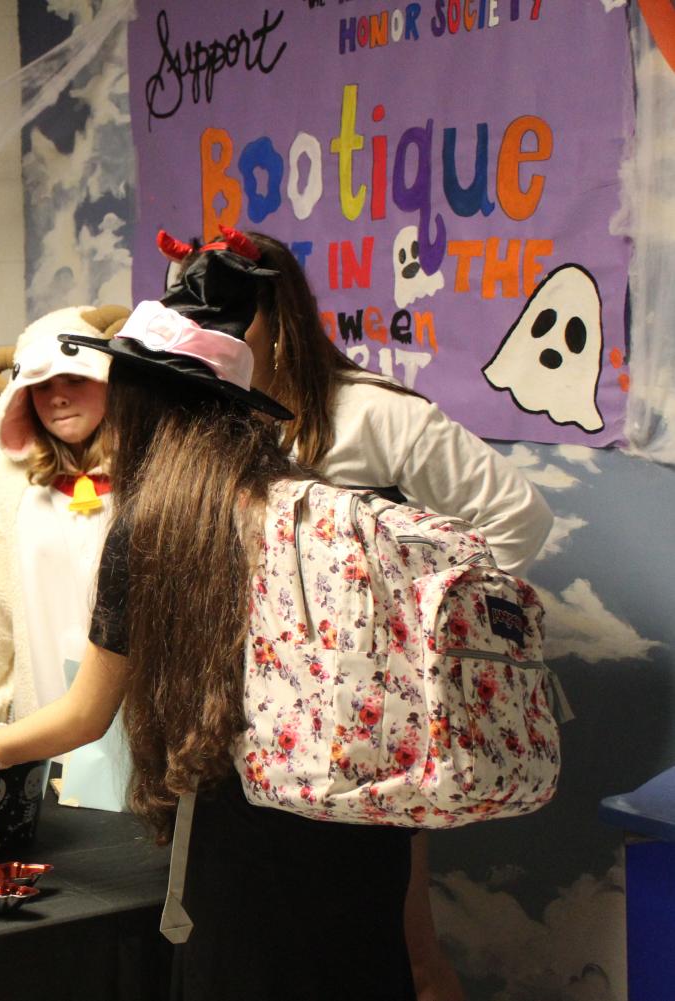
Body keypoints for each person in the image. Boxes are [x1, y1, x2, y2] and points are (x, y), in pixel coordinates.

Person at [0, 243, 419, 999]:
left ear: (139, 406)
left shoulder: (156, 528)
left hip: (247, 833)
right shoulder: (314, 501)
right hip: (364, 823)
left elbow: (82, 715)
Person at [207, 228, 552, 1001]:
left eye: (232, 311)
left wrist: (430, 640)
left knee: (396, 936)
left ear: (276, 309)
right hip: (253, 726)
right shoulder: (210, 415)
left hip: (367, 727)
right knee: (277, 944)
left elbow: (514, 518)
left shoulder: (368, 414)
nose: (216, 327)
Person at [0, 305, 129, 724]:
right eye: (41, 384)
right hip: (42, 728)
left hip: (142, 725)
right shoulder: (5, 474)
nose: (58, 396)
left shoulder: (153, 468)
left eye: (74, 378)